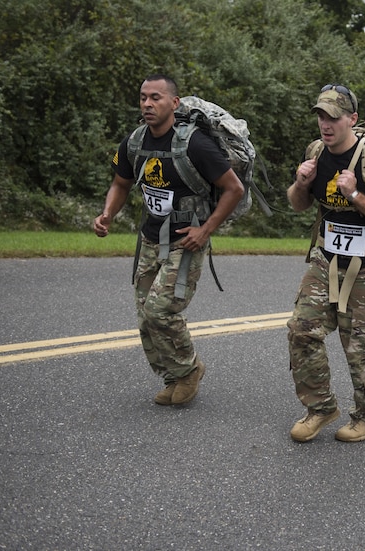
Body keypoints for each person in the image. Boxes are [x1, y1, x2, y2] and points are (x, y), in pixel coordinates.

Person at [93, 74, 244, 406]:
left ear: (174, 103)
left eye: (156, 97)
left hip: (186, 241)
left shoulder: (195, 145)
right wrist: (107, 214)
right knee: (145, 316)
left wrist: (205, 231)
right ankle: (173, 376)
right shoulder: (135, 141)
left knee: (160, 310)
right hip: (150, 238)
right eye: (143, 97)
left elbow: (234, 189)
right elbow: (120, 183)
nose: (147, 104)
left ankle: (189, 371)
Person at [285, 84, 365, 443]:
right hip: (325, 258)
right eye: (321, 116)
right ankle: (320, 408)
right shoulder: (315, 153)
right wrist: (300, 183)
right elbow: (298, 205)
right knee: (301, 330)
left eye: (334, 117)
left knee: (358, 347)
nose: (326, 124)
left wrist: (354, 194)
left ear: (352, 119)